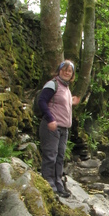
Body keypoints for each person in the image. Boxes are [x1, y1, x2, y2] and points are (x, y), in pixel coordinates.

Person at [37, 60, 80, 197]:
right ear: (59, 70)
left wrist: (71, 101)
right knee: (50, 156)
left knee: (60, 157)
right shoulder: (52, 84)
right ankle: (49, 185)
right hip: (52, 126)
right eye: (64, 69)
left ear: (72, 74)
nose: (67, 72)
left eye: (70, 71)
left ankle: (58, 184)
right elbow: (42, 101)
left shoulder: (66, 88)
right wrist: (50, 119)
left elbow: (59, 103)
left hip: (64, 129)